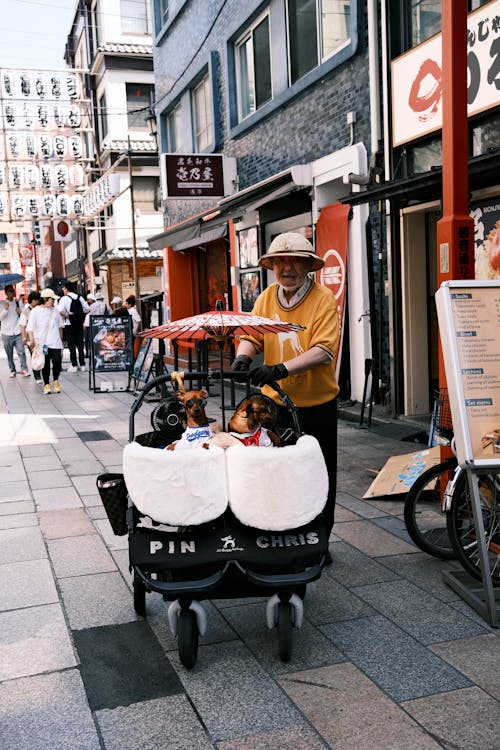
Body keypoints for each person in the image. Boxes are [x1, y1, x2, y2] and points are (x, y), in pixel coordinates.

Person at [231, 232, 340, 539]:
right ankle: (283, 532)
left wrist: (279, 368)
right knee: (277, 469)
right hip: (273, 405)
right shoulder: (266, 297)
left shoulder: (323, 299)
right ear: (272, 266)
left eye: (294, 261)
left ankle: (319, 538)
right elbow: (251, 335)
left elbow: (324, 349)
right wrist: (243, 357)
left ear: (307, 265)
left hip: (316, 404)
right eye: (280, 261)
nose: (287, 268)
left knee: (318, 473)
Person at [26, 288, 64, 394]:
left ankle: (56, 380)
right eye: (52, 299)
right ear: (46, 299)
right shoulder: (35, 311)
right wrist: (32, 340)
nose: (54, 302)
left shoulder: (55, 311)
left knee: (57, 362)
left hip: (56, 342)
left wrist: (61, 341)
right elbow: (30, 328)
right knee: (45, 364)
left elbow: (60, 327)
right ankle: (46, 384)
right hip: (43, 344)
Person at [58, 281, 89, 372]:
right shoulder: (80, 297)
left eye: (64, 288)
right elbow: (87, 309)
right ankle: (83, 365)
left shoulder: (64, 298)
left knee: (71, 346)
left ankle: (74, 365)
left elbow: (60, 311)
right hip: (79, 324)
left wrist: (69, 316)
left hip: (69, 324)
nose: (63, 290)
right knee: (80, 345)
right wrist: (80, 316)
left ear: (66, 289)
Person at [0, 284, 30, 377]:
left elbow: (25, 316)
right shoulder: (1, 304)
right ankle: (12, 370)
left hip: (17, 332)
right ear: (6, 293)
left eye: (13, 290)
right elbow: (0, 318)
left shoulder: (18, 303)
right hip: (6, 333)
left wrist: (20, 312)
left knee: (21, 352)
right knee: (9, 354)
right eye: (10, 291)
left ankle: (24, 369)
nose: (12, 292)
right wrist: (5, 310)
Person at [19, 290, 42, 383]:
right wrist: (24, 337)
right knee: (35, 356)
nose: (38, 302)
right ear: (33, 300)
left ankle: (43, 372)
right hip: (30, 339)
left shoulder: (40, 308)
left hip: (41, 337)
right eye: (37, 300)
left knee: (43, 355)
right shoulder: (25, 310)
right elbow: (22, 325)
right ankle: (37, 376)